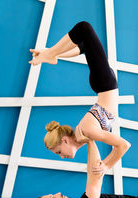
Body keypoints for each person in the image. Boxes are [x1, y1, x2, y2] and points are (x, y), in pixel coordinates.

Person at [29, 21, 130, 169]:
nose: (62, 157)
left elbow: (124, 145)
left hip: (104, 83)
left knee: (84, 29)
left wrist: (106, 166)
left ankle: (50, 54)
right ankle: (51, 53)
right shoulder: (85, 136)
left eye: (58, 152)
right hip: (104, 84)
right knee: (85, 45)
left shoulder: (87, 130)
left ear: (64, 140)